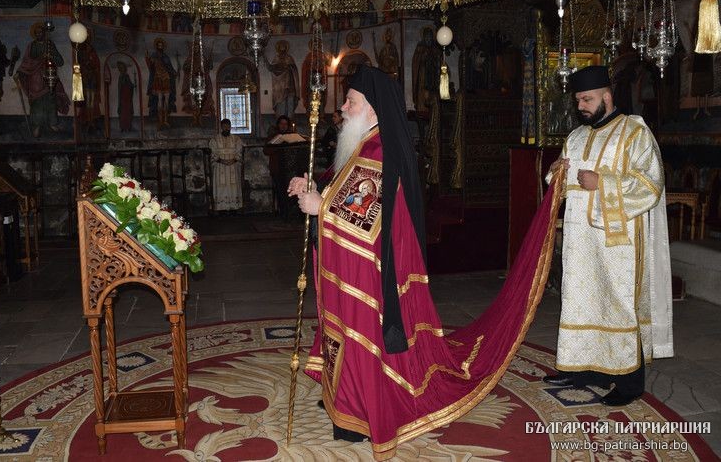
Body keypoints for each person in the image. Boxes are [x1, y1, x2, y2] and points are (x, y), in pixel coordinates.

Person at [287, 66, 566, 459]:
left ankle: (364, 410)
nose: (343, 108)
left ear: (373, 111)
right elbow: (346, 195)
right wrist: (315, 189)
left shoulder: (381, 152)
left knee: (359, 334)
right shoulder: (361, 146)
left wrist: (321, 209)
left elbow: (366, 224)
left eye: (351, 101)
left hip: (371, 273)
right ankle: (347, 399)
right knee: (343, 332)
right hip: (353, 270)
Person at [543, 65, 673, 406]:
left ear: (607, 96)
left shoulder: (634, 134)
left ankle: (628, 383)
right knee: (580, 302)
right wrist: (555, 174)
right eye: (578, 100)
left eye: (587, 99)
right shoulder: (576, 137)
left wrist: (603, 183)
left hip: (619, 244)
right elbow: (559, 184)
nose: (581, 106)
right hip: (580, 240)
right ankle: (583, 369)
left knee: (617, 306)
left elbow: (651, 185)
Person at [15, 22, 70, 138]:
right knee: (37, 103)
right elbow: (27, 61)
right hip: (35, 77)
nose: (39, 34)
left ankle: (53, 123)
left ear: (44, 33)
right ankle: (37, 126)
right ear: (34, 34)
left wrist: (52, 56)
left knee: (51, 100)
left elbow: (60, 61)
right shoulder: (32, 46)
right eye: (37, 32)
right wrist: (20, 71)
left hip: (49, 75)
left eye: (41, 32)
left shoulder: (49, 44)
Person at [208, 119, 244, 213]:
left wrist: (234, 159)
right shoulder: (215, 139)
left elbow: (239, 152)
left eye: (228, 126)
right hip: (220, 167)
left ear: (230, 127)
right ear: (221, 127)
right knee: (221, 187)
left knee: (234, 187)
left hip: (233, 166)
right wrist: (221, 160)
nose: (226, 128)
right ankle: (221, 209)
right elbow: (213, 153)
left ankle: (233, 208)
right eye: (224, 126)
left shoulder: (236, 139)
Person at [145, 37, 177, 129]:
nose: (160, 47)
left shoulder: (166, 56)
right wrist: (147, 58)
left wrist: (174, 72)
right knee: (159, 100)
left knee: (166, 100)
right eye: (159, 45)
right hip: (158, 78)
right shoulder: (154, 56)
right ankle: (160, 121)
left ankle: (166, 120)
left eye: (161, 45)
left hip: (166, 78)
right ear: (156, 46)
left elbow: (169, 67)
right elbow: (150, 67)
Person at [266, 40, 300, 117]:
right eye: (281, 46)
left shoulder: (289, 58)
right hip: (280, 86)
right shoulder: (276, 58)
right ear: (278, 48)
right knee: (281, 102)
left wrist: (289, 66)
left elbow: (294, 69)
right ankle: (281, 119)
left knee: (290, 102)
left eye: (283, 46)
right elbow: (272, 68)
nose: (282, 48)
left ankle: (290, 119)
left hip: (290, 84)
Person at [116, 61, 135, 132]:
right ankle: (123, 127)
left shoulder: (126, 76)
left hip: (127, 98)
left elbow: (130, 85)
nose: (121, 69)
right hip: (122, 99)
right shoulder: (120, 77)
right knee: (123, 113)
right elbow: (120, 88)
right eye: (120, 68)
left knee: (128, 112)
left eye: (122, 68)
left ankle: (128, 126)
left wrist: (132, 86)